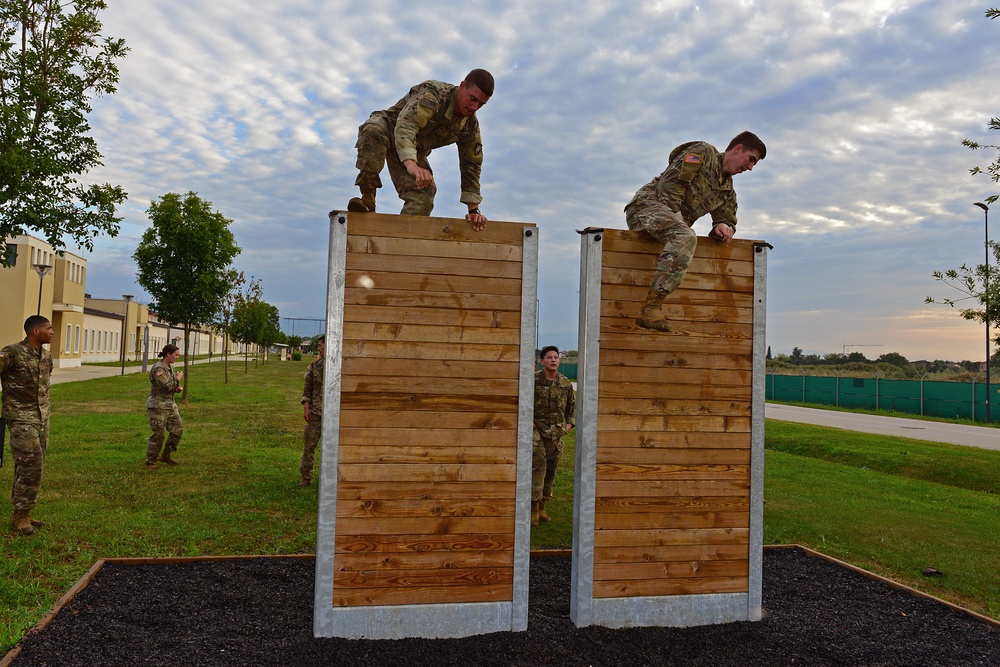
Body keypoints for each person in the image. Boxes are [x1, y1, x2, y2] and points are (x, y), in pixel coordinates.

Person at [625, 130, 767, 332]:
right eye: (751, 159)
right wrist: (680, 226)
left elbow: (727, 217)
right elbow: (670, 188)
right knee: (685, 236)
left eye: (755, 164)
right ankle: (651, 308)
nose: (751, 167)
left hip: (671, 224)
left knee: (684, 236)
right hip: (646, 207)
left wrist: (722, 226)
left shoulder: (726, 190)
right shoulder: (703, 153)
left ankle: (654, 304)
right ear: (738, 149)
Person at [347, 69, 494, 231]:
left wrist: (474, 210)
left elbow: (471, 164)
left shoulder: (469, 125)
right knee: (373, 130)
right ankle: (368, 198)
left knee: (423, 196)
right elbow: (407, 126)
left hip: (414, 149)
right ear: (463, 86)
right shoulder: (434, 95)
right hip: (391, 128)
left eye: (481, 104)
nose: (475, 107)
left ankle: (404, 242)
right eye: (473, 99)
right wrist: (411, 164)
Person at [0, 315, 54, 535]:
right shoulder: (11, 352)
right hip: (20, 417)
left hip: (42, 418)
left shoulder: (46, 356)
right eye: (48, 328)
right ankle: (21, 516)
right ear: (35, 331)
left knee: (29, 465)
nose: (52, 332)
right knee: (32, 463)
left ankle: (25, 512)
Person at [531, 346, 575, 526]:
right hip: (536, 430)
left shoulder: (565, 383)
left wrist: (569, 424)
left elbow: (571, 407)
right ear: (542, 361)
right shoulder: (532, 381)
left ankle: (542, 505)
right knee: (538, 466)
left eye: (556, 357)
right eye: (549, 357)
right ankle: (532, 508)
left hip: (556, 433)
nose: (553, 360)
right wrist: (529, 420)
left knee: (551, 469)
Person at [145, 344, 184, 468]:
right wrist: (177, 379)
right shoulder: (159, 369)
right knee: (158, 434)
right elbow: (166, 385)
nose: (177, 357)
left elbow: (171, 387)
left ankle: (166, 455)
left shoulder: (170, 367)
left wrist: (177, 389)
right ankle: (151, 461)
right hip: (158, 406)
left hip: (170, 405)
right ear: (168, 354)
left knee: (178, 429)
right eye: (176, 355)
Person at [298, 335, 325, 486]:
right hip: (316, 413)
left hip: (333, 415)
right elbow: (307, 389)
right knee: (309, 446)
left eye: (320, 345)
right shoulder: (315, 366)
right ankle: (306, 477)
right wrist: (306, 406)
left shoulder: (340, 365)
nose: (318, 348)